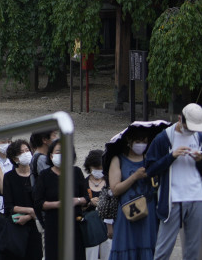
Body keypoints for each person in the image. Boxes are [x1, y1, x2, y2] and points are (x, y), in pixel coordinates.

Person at [144, 103, 202, 260]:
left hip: (197, 197)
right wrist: (171, 156)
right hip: (172, 200)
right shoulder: (164, 138)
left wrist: (199, 160)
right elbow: (149, 169)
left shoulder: (199, 136)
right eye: (188, 127)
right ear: (179, 119)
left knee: (194, 251)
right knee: (163, 251)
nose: (191, 131)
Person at [108, 124, 160, 260]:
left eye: (145, 141)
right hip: (127, 213)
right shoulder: (118, 160)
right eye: (138, 141)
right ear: (129, 141)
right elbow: (115, 189)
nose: (142, 145)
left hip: (148, 213)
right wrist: (135, 176)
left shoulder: (151, 159)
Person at [40, 137, 89, 260]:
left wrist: (77, 201)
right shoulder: (44, 175)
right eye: (58, 152)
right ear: (51, 156)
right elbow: (39, 202)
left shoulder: (76, 172)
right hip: (53, 225)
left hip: (75, 224)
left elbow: (87, 197)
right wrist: (58, 204)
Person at [2, 140, 43, 260]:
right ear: (15, 158)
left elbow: (42, 202)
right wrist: (30, 211)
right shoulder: (9, 177)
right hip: (17, 225)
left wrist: (30, 216)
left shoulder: (38, 175)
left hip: (36, 225)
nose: (26, 154)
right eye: (21, 152)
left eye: (27, 150)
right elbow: (9, 205)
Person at [86, 149, 112, 260]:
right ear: (89, 167)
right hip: (90, 229)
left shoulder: (111, 182)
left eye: (101, 168)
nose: (98, 171)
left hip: (108, 228)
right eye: (95, 168)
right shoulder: (83, 183)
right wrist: (89, 202)